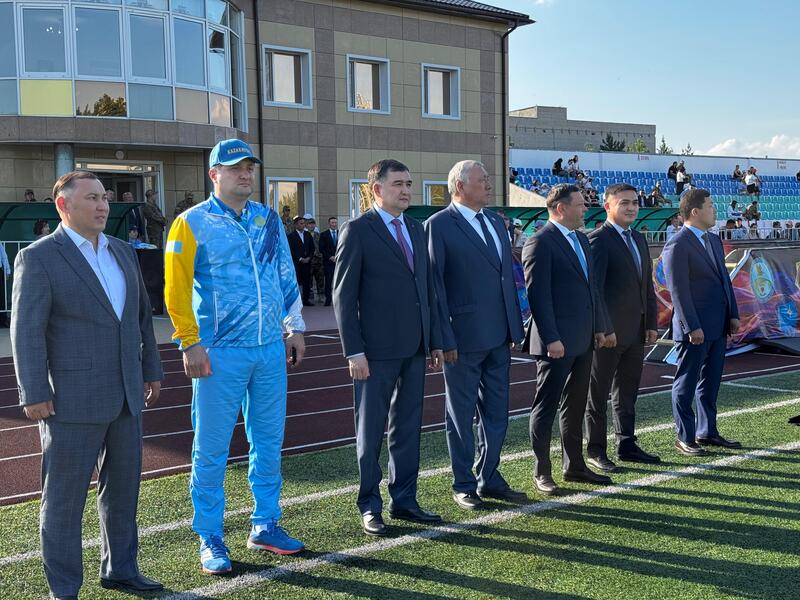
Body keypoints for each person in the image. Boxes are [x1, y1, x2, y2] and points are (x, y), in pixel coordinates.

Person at [11, 170, 163, 599]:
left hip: (126, 395)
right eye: (92, 198)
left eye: (104, 198)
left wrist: (151, 368)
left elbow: (140, 318)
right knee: (63, 500)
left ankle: (121, 569)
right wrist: (34, 392)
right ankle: (64, 589)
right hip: (70, 401)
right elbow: (27, 331)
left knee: (123, 491)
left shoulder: (122, 250)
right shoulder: (39, 257)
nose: (102, 206)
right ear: (63, 205)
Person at [164, 139, 307, 575]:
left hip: (268, 349)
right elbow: (175, 289)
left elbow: (285, 273)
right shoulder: (190, 223)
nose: (245, 174)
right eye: (235, 168)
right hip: (219, 352)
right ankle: (209, 534)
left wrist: (295, 326)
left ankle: (265, 524)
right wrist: (189, 342)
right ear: (214, 174)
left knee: (268, 442)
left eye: (249, 167)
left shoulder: (268, 219)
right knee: (211, 448)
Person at [333, 159, 443, 537]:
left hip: (414, 348)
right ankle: (369, 504)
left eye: (409, 183)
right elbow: (343, 296)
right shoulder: (357, 230)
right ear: (377, 189)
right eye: (398, 184)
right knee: (370, 432)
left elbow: (427, 289)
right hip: (374, 351)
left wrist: (434, 340)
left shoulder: (416, 228)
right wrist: (354, 351)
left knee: (408, 428)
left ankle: (405, 499)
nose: (406, 190)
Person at [425, 160, 526, 511]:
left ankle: (490, 475)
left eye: (487, 179)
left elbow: (505, 278)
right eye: (482, 180)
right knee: (460, 415)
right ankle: (463, 483)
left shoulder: (496, 222)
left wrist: (514, 326)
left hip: (499, 336)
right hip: (462, 338)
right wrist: (443, 337)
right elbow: (435, 287)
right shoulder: (438, 225)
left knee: (497, 412)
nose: (488, 184)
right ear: (460, 186)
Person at [521, 184, 611, 495]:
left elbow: (592, 288)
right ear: (561, 208)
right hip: (556, 343)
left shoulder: (582, 240)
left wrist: (598, 326)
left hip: (584, 338)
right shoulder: (539, 242)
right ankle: (542, 471)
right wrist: (551, 338)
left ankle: (574, 466)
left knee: (575, 405)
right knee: (546, 406)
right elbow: (538, 296)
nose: (585, 209)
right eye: (580, 205)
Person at [586, 184, 661, 471]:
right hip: (608, 335)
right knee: (597, 394)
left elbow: (646, 286)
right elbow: (594, 290)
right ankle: (596, 450)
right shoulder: (598, 240)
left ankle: (626, 443)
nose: (631, 208)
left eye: (634, 203)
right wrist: (603, 328)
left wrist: (651, 322)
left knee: (627, 392)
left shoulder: (639, 239)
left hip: (636, 331)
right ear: (607, 207)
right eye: (624, 203)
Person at [662, 189, 741, 456]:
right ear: (695, 211)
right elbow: (678, 290)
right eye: (710, 205)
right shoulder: (678, 244)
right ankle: (685, 437)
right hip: (694, 328)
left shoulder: (714, 240)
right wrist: (691, 326)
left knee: (710, 383)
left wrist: (733, 314)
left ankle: (707, 431)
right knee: (686, 383)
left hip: (718, 324)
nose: (714, 210)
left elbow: (724, 281)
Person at [287, 215, 315, 306]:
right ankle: (296, 301)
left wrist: (309, 258)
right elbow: (291, 250)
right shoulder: (291, 236)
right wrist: (300, 258)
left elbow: (312, 248)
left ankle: (306, 300)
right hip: (297, 263)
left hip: (307, 262)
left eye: (304, 223)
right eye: (301, 223)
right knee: (297, 281)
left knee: (307, 282)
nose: (303, 225)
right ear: (296, 225)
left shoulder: (307, 234)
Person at [318, 217, 338, 306]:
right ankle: (328, 299)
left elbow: (344, 246)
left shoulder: (341, 233)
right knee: (328, 281)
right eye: (332, 222)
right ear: (329, 223)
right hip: (328, 262)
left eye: (335, 222)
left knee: (339, 281)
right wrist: (330, 257)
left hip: (339, 261)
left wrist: (337, 257)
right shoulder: (324, 234)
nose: (334, 224)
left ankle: (338, 299)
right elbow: (321, 248)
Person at [305, 217, 325, 304]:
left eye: (313, 224)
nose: (311, 225)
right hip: (309, 260)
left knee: (320, 279)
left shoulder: (319, 235)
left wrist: (321, 255)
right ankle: (308, 296)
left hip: (319, 260)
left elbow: (323, 246)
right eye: (310, 224)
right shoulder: (305, 235)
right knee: (308, 279)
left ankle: (321, 296)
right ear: (307, 225)